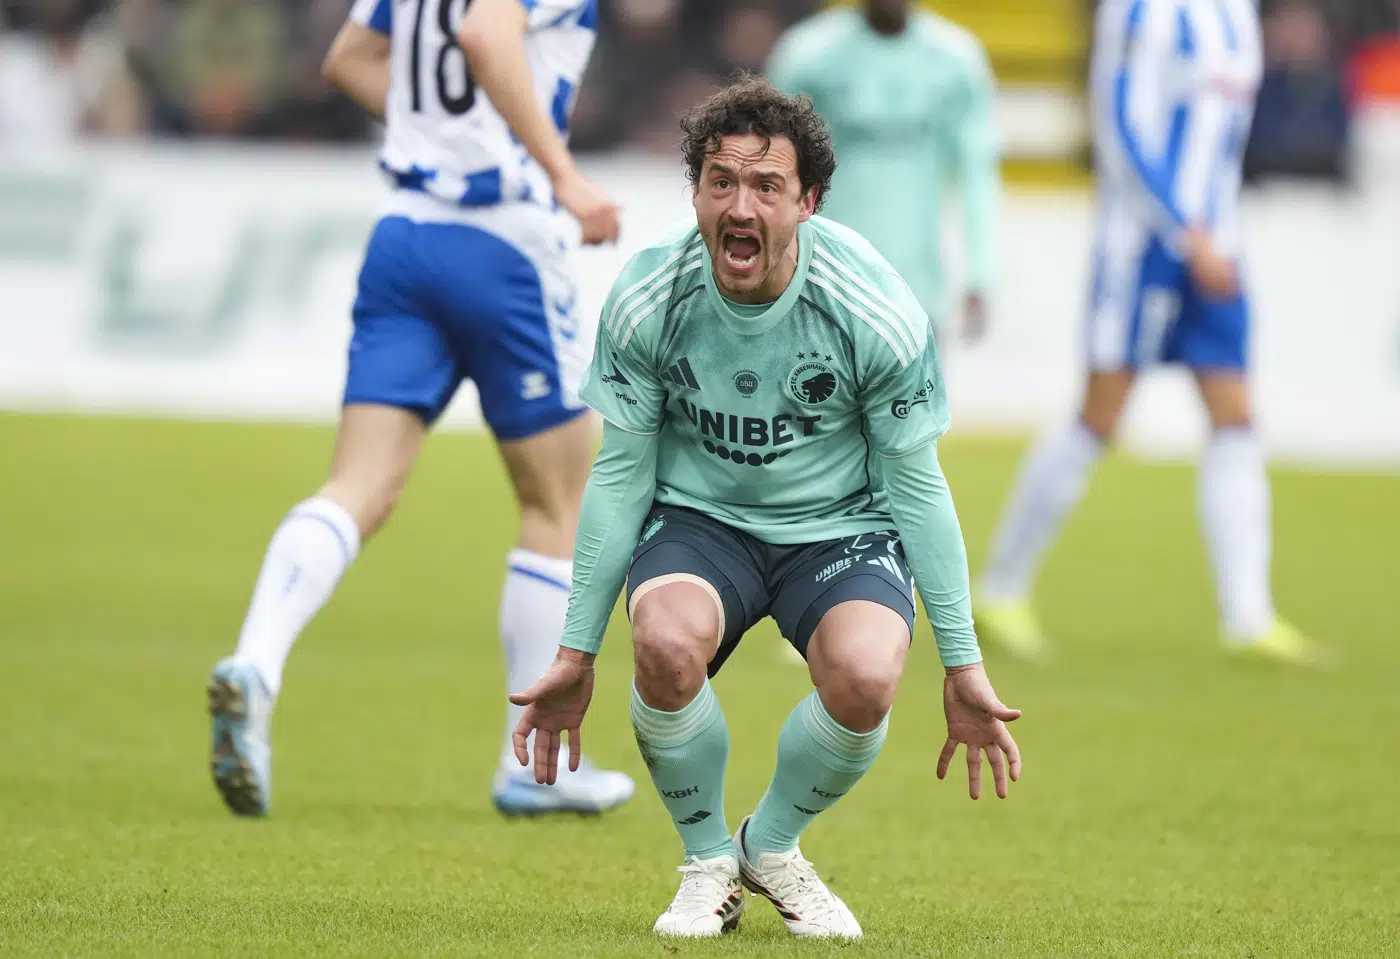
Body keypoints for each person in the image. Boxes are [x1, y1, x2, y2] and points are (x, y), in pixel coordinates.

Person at [506, 76, 1023, 939]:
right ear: (697, 192)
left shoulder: (875, 309)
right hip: (701, 521)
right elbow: (622, 474)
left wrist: (963, 664)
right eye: (720, 182)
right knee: (665, 643)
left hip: (841, 526)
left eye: (767, 186)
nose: (739, 205)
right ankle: (707, 859)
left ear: (808, 201)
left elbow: (917, 486)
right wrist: (576, 649)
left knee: (865, 677)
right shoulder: (649, 295)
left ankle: (770, 845)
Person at [205, 0, 635, 819]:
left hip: (404, 235)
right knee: (560, 502)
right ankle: (535, 768)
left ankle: (257, 660)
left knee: (358, 485)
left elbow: (351, 58)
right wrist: (562, 171)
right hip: (503, 241)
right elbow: (484, 31)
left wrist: (442, 132)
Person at [974, 0, 1327, 666]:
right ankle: (1000, 590)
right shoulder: (1144, 9)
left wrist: (1213, 231)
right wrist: (1184, 228)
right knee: (1101, 414)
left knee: (1236, 416)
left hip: (1217, 245)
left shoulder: (1238, 12)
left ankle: (1249, 617)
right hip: (1145, 246)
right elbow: (1123, 124)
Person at [766, 0, 1001, 351]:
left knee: (913, 405)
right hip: (822, 287)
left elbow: (977, 175)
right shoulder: (808, 56)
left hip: (915, 294)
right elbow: (769, 170)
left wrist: (980, 272)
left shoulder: (956, 61)